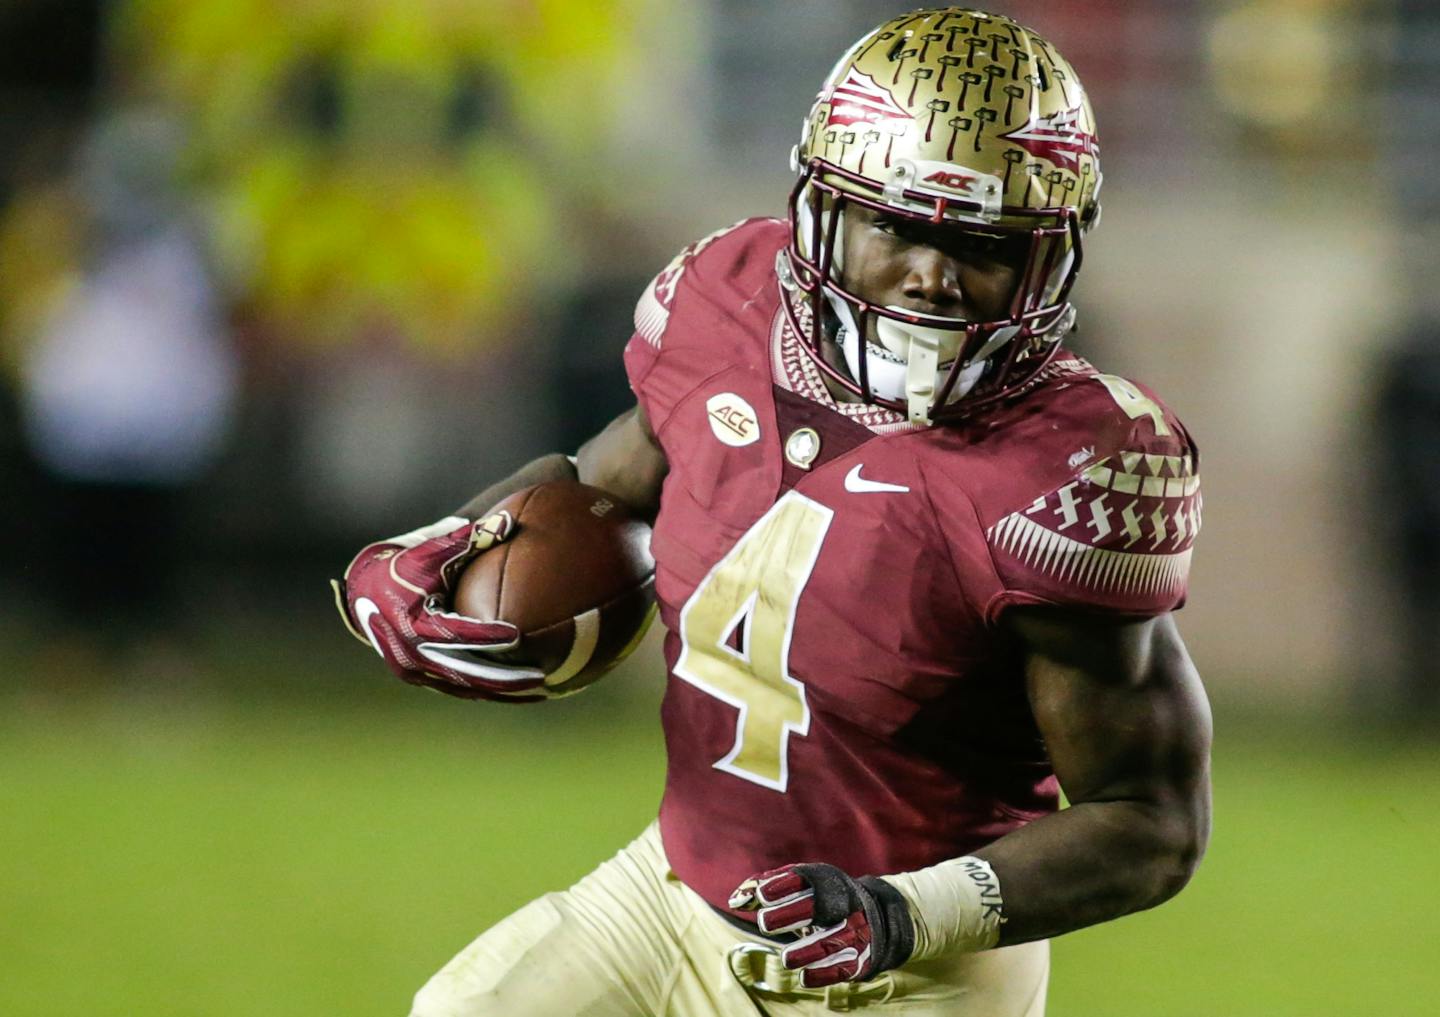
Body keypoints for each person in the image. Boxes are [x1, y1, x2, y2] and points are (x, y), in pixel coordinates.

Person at [333, 8, 1212, 1015]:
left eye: (979, 244)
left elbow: (1151, 819)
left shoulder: (1068, 466)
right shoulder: (729, 303)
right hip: (671, 893)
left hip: (904, 971)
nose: (932, 273)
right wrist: (440, 550)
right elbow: (603, 485)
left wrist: (905, 912)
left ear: (1046, 259)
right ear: (823, 212)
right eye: (898, 224)